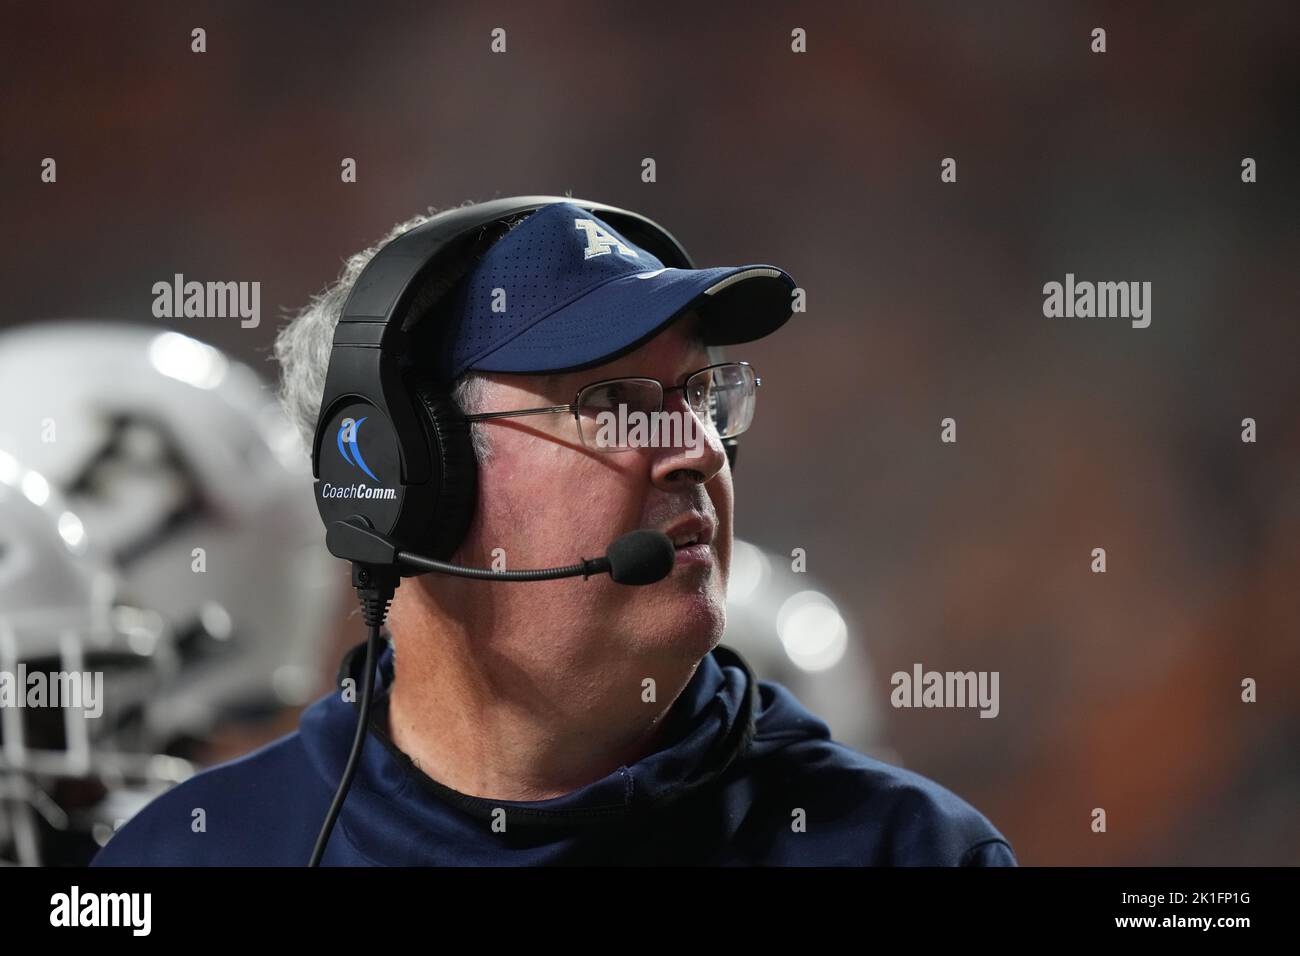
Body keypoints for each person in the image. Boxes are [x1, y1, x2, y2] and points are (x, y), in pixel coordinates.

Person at [92, 200, 1017, 866]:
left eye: (699, 395)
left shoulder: (911, 851)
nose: (695, 449)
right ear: (405, 477)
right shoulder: (180, 861)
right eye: (613, 404)